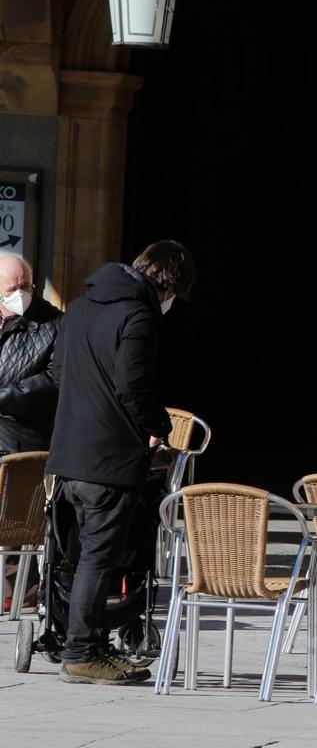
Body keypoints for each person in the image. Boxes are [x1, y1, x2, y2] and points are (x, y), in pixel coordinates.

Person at [48, 240, 196, 685]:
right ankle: (82, 652)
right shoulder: (139, 314)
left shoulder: (78, 307)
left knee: (78, 555)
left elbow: (57, 370)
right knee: (99, 556)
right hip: (108, 457)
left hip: (68, 453)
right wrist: (157, 426)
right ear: (169, 286)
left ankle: (82, 644)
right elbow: (133, 385)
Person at [0, 253, 63, 613]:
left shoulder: (53, 324)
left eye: (26, 285)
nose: (21, 293)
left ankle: (23, 587)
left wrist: (4, 398)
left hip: (23, 435)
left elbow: (53, 380)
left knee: (18, 514)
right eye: (12, 288)